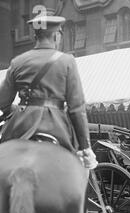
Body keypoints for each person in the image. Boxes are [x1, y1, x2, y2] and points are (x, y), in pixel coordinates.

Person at [0, 12, 97, 170]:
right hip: (56, 127)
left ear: (35, 36)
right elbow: (77, 109)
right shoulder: (67, 61)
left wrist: (14, 109)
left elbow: (2, 101)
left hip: (22, 125)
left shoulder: (17, 62)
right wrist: (86, 147)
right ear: (56, 36)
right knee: (79, 169)